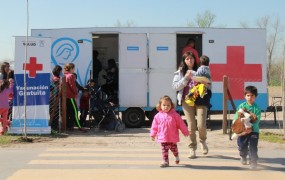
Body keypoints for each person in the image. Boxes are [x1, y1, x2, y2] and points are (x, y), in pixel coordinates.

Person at [172, 51, 209, 159]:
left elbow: (209, 84)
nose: (189, 60)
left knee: (201, 125)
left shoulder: (201, 70)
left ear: (195, 59)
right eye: (187, 59)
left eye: (191, 58)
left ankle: (203, 141)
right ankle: (192, 148)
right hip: (186, 101)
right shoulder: (179, 72)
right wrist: (186, 78)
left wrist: (203, 81)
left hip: (200, 100)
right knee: (191, 126)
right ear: (184, 60)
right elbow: (175, 87)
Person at [150, 95, 189, 167]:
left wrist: (185, 132)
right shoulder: (158, 116)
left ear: (171, 105)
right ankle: (165, 161)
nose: (166, 107)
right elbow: (154, 126)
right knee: (164, 150)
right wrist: (153, 134)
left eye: (168, 105)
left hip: (172, 137)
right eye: (164, 105)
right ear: (160, 106)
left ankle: (176, 156)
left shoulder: (175, 115)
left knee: (174, 149)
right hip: (163, 137)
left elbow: (181, 124)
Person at [233, 85, 261, 170]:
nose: (250, 97)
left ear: (255, 97)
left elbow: (257, 120)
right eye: (248, 95)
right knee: (242, 145)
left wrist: (251, 128)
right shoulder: (241, 106)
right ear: (245, 96)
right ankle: (243, 156)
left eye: (252, 95)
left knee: (253, 147)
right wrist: (236, 126)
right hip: (242, 131)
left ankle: (253, 162)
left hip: (253, 131)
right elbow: (236, 117)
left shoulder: (257, 108)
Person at [64, 63, 86, 132]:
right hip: (70, 96)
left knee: (67, 112)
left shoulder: (64, 75)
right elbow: (72, 86)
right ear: (71, 69)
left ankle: (68, 126)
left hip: (65, 97)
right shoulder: (71, 76)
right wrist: (76, 93)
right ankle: (79, 126)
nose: (74, 70)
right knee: (75, 112)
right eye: (73, 68)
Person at [50, 65, 62, 131]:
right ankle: (54, 127)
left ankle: (55, 127)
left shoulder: (55, 78)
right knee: (54, 113)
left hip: (55, 98)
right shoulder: (56, 79)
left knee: (54, 113)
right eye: (60, 71)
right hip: (55, 98)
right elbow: (56, 89)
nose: (61, 72)